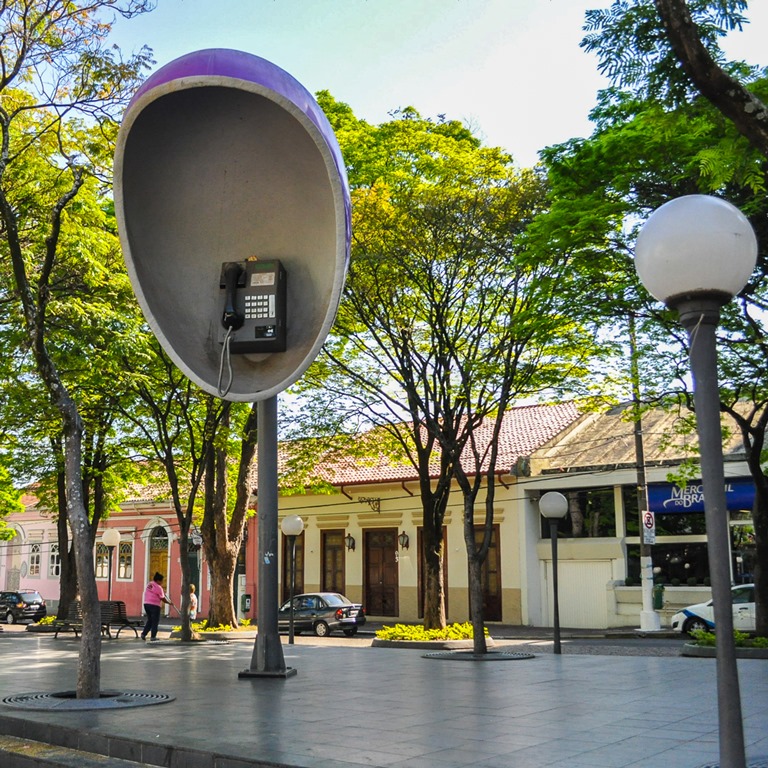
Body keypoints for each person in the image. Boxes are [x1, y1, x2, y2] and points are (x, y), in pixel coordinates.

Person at [141, 572, 171, 641]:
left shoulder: (150, 584)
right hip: (154, 606)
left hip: (146, 604)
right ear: (158, 580)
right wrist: (169, 603)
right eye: (161, 581)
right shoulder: (159, 587)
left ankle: (144, 634)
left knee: (150, 620)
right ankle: (153, 636)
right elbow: (162, 598)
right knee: (155, 621)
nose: (162, 582)